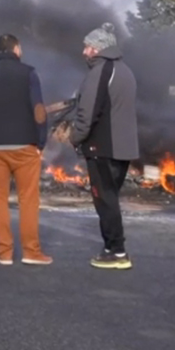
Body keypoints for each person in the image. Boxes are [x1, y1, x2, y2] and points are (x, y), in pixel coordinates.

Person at [0, 34, 52, 266]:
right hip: (25, 147)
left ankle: (4, 253)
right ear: (16, 49)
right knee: (27, 200)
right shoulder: (29, 73)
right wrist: (41, 143)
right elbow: (39, 109)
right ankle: (31, 252)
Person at [69, 22, 139, 270]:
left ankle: (116, 251)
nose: (84, 52)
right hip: (123, 149)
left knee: (105, 200)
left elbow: (88, 112)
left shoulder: (101, 71)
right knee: (111, 198)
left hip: (103, 148)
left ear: (99, 49)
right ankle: (113, 247)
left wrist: (75, 137)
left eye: (87, 47)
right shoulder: (125, 70)